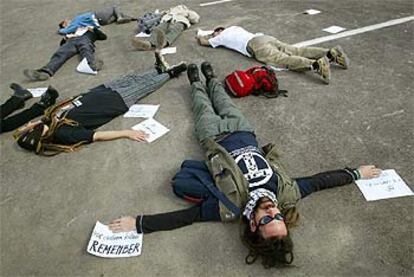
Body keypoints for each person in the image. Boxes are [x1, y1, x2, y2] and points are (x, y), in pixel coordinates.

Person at [108, 62, 381, 268]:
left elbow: (184, 219)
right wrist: (355, 173)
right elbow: (321, 181)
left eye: (266, 220)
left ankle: (195, 82)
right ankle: (211, 77)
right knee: (223, 98)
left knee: (202, 105)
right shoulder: (287, 195)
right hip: (243, 131)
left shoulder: (228, 208)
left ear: (253, 225)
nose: (273, 212)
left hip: (213, 137)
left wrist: (139, 223)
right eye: (278, 218)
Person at [14, 54, 187, 155]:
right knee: (144, 86)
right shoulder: (64, 134)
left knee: (131, 79)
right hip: (115, 101)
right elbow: (96, 136)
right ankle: (170, 74)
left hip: (100, 91)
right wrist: (126, 132)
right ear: (38, 135)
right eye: (31, 127)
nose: (31, 124)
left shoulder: (48, 121)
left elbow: (22, 131)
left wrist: (25, 129)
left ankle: (158, 69)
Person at [196, 26, 350, 84]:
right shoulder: (235, 28)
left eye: (214, 33)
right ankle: (330, 53)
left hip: (255, 46)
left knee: (282, 60)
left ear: (218, 31)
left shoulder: (220, 37)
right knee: (296, 50)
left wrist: (203, 35)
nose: (213, 35)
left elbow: (204, 41)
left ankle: (316, 65)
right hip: (264, 37)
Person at [23, 26, 107, 82]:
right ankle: (45, 72)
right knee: (60, 53)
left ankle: (92, 65)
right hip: (71, 41)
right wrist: (65, 38)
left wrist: (94, 28)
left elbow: (103, 37)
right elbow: (61, 44)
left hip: (84, 39)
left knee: (86, 49)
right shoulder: (72, 30)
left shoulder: (90, 30)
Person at [132, 5, 200, 51]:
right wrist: (163, 13)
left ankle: (164, 42)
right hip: (167, 20)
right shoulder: (170, 10)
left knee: (174, 30)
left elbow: (195, 19)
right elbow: (160, 14)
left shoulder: (188, 12)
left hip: (180, 21)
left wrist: (187, 13)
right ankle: (149, 43)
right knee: (158, 29)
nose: (179, 7)